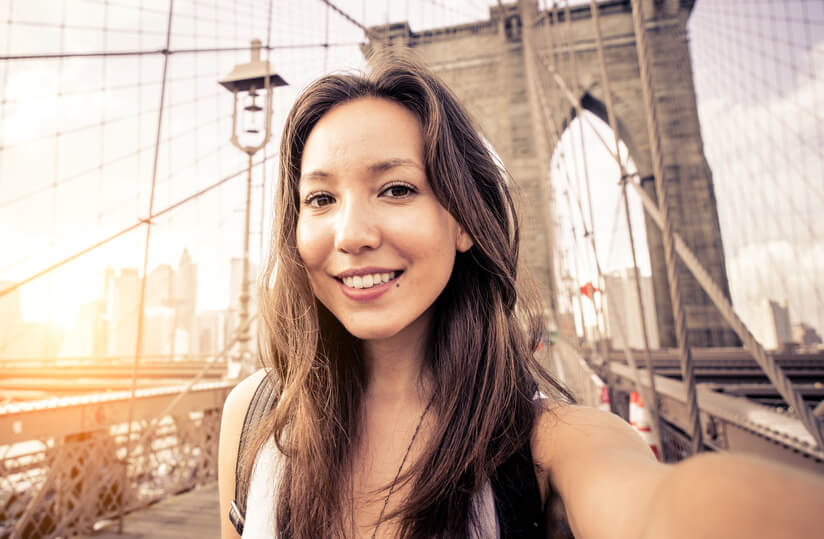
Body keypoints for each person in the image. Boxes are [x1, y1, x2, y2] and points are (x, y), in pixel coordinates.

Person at [217, 53, 823, 538]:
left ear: (462, 220)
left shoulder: (553, 444)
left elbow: (659, 506)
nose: (350, 235)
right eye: (320, 199)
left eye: (397, 189)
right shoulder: (250, 422)